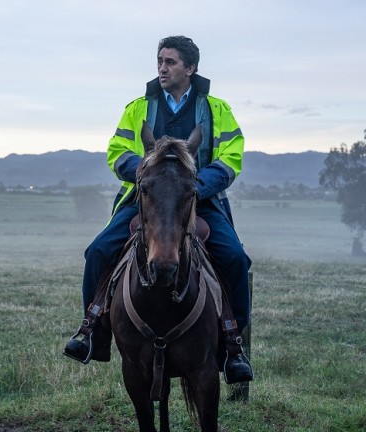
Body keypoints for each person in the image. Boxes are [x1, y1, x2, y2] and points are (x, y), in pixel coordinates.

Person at [63, 35, 253, 384]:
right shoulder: (138, 107)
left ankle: (233, 348)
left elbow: (232, 156)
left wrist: (197, 185)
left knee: (235, 259)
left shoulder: (217, 109)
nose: (162, 68)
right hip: (145, 197)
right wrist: (144, 174)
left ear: (191, 68)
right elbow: (117, 150)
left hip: (199, 201)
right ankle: (93, 333)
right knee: (99, 251)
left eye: (170, 62)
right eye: (159, 62)